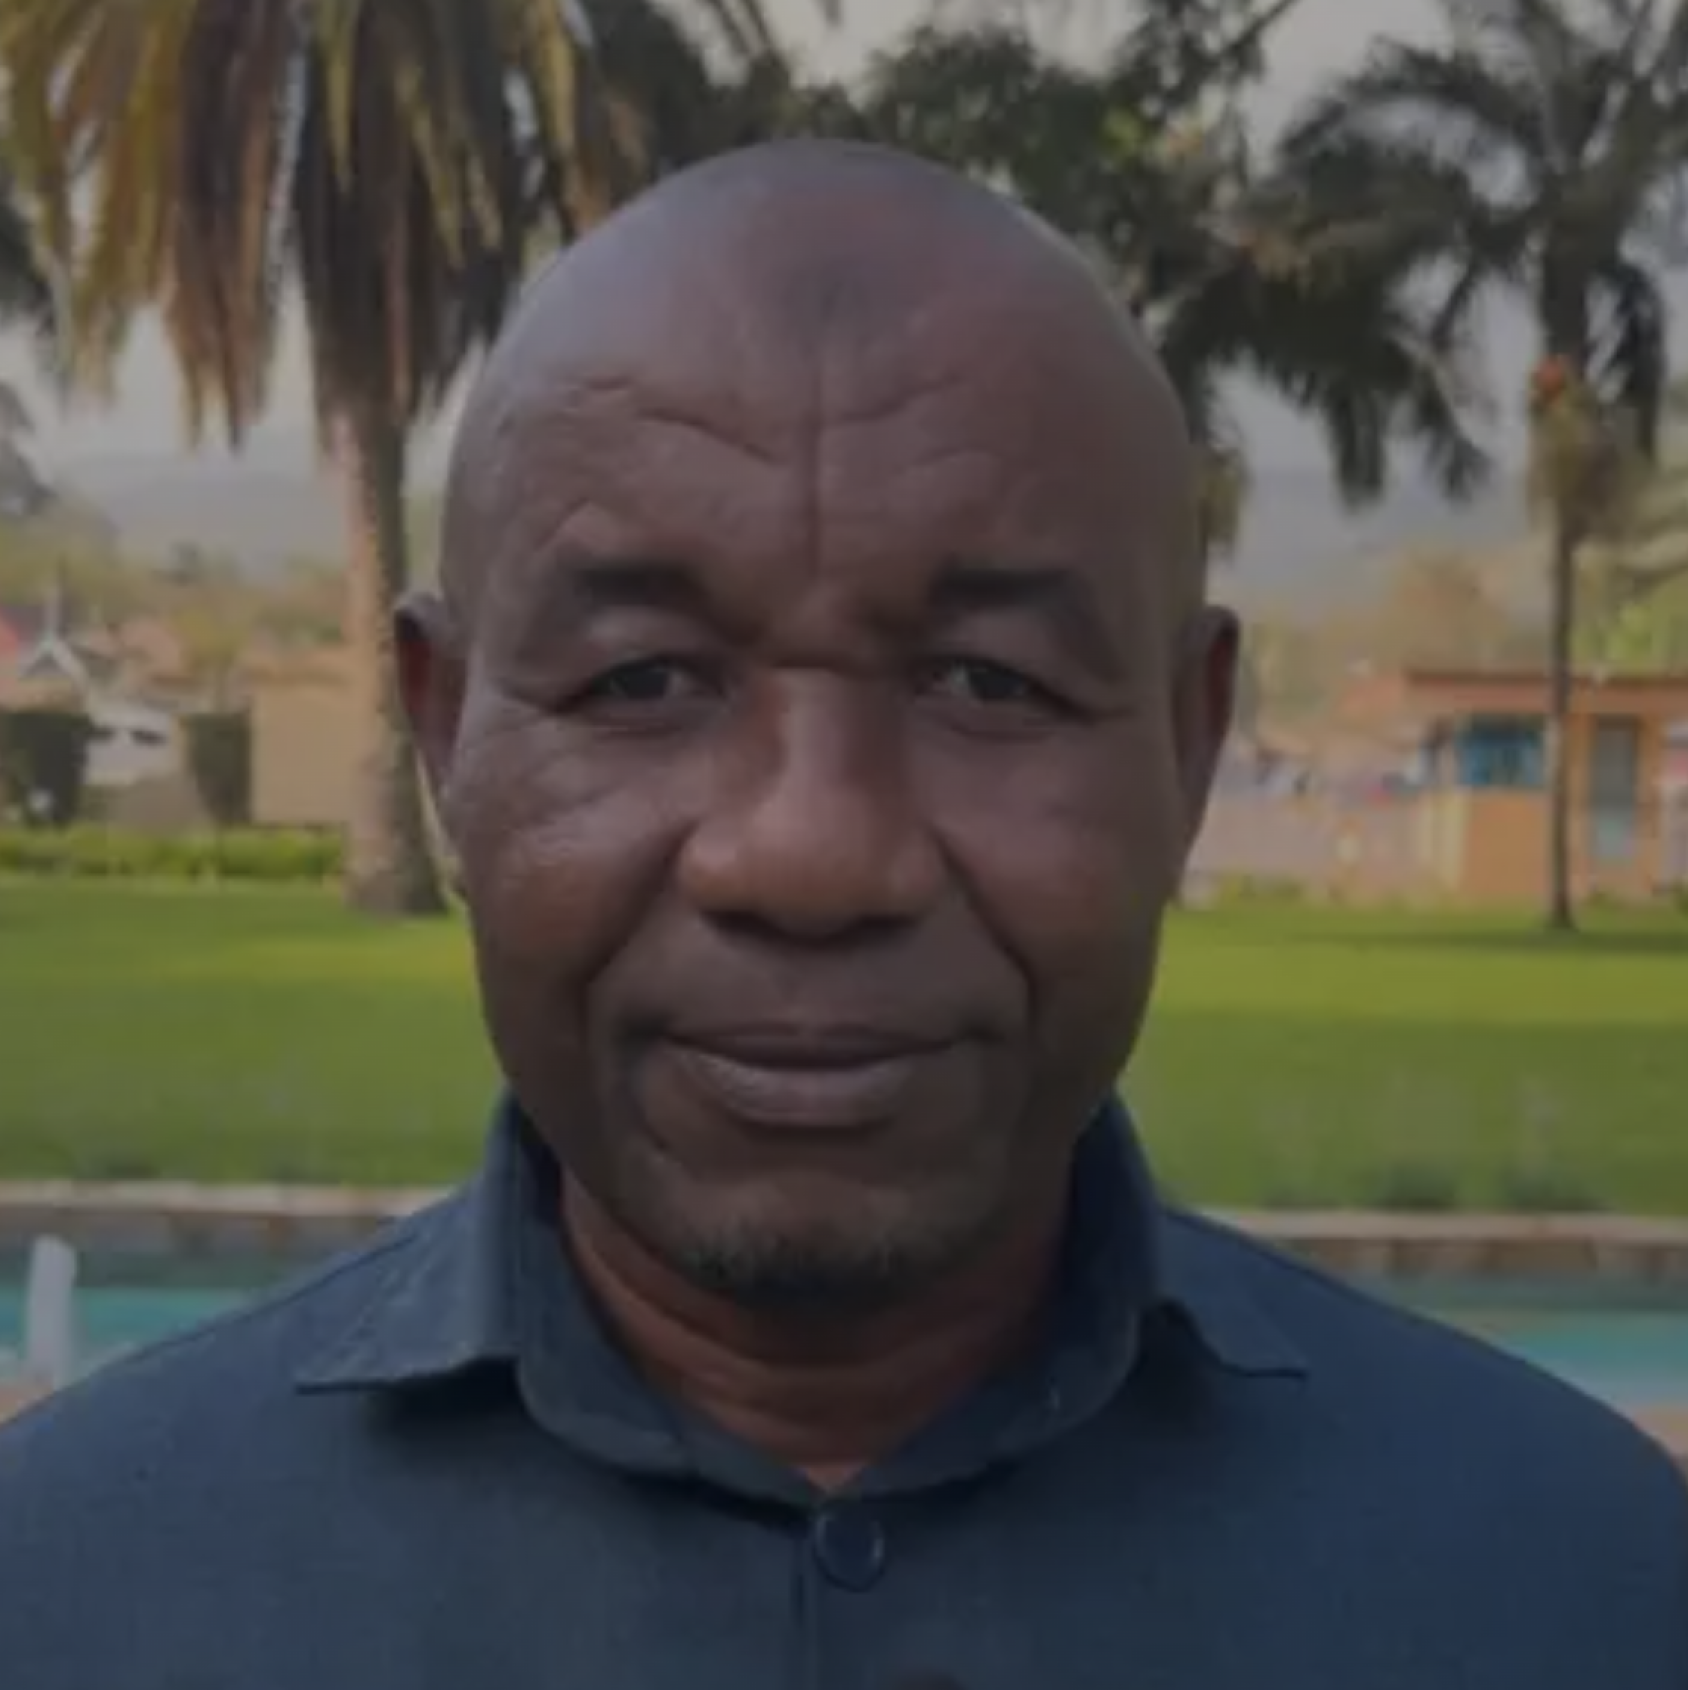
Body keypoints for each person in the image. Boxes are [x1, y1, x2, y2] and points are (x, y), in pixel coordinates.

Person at [0, 140, 1683, 1688]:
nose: (812, 854)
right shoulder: (66, 1587)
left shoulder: (1590, 1586)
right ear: (446, 735)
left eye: (988, 680)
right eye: (644, 676)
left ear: (1189, 741)